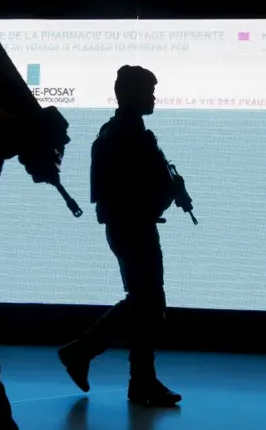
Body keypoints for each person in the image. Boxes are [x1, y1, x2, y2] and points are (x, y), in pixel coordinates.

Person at [57, 65, 182, 406]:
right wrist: (169, 193)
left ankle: (114, 368)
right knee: (148, 303)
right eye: (148, 91)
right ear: (131, 94)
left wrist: (169, 190)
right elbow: (129, 189)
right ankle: (116, 369)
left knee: (145, 303)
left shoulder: (127, 132)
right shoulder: (125, 135)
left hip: (132, 226)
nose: (153, 98)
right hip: (132, 226)